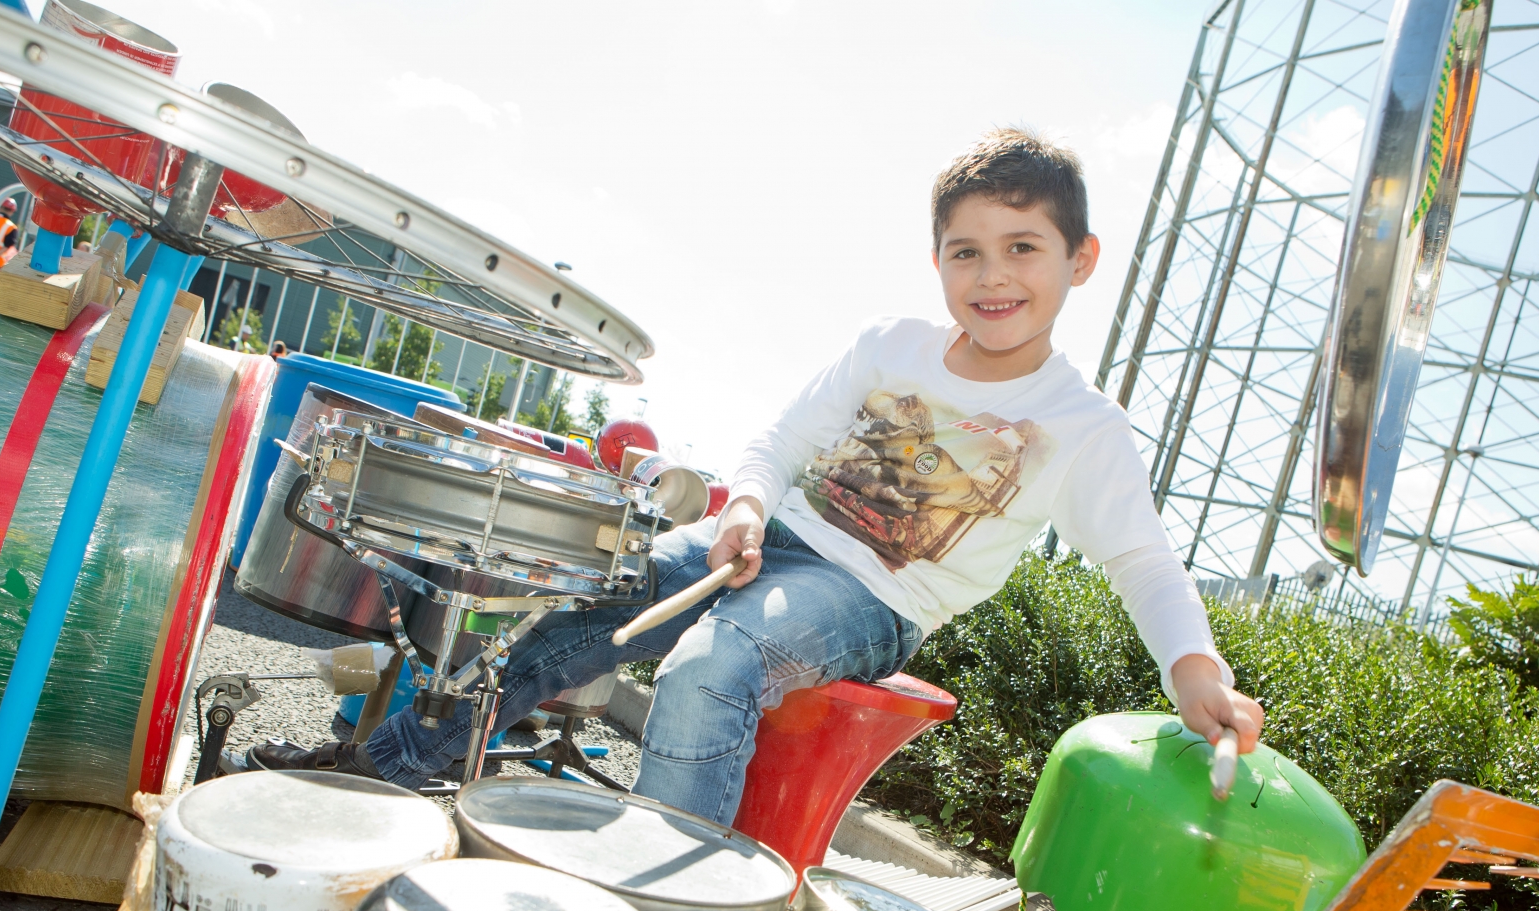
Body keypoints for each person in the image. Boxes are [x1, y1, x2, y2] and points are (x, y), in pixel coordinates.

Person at [243, 128, 1266, 827]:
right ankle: (377, 779)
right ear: (936, 259)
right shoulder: (890, 344)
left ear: (1079, 260)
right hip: (770, 544)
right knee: (581, 593)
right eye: (967, 252)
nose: (993, 276)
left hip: (869, 598)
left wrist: (1194, 670)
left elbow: (1143, 561)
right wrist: (742, 508)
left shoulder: (1083, 428)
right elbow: (776, 444)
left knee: (708, 665)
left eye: (1022, 249)